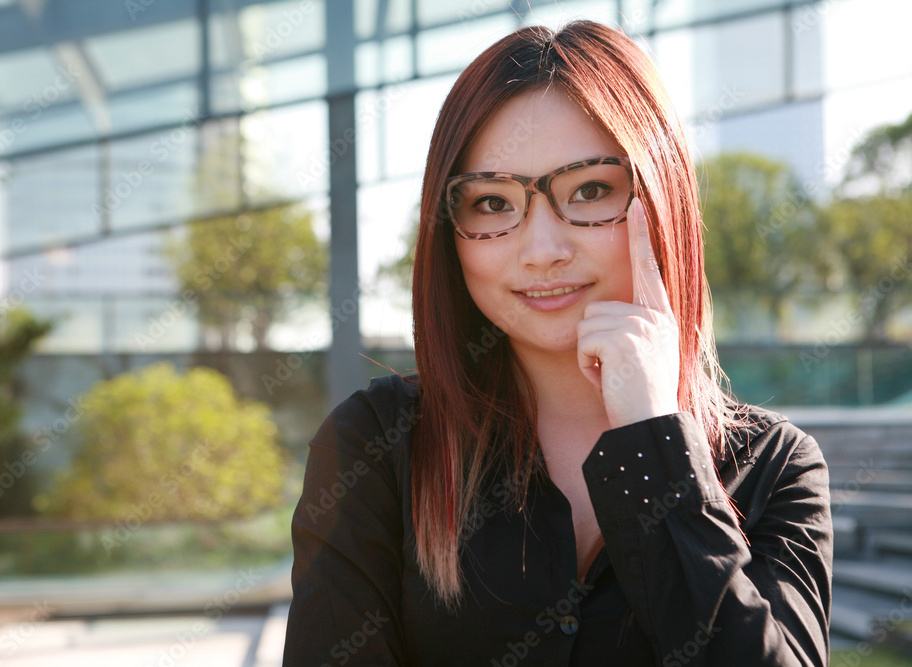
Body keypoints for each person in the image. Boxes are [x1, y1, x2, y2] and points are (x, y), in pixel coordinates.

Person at [283, 19, 832, 666]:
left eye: (591, 190)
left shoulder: (774, 468)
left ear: (661, 202)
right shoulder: (374, 448)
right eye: (491, 203)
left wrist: (656, 443)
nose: (542, 250)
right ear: (448, 229)